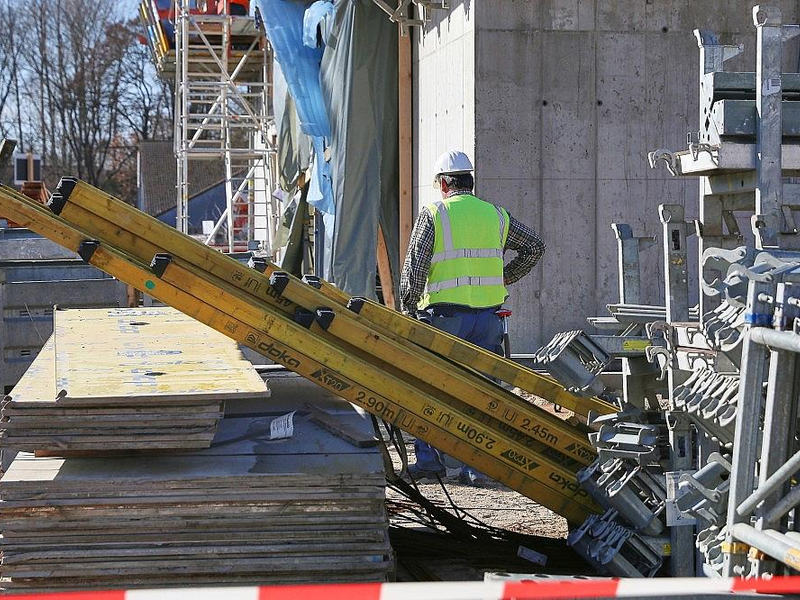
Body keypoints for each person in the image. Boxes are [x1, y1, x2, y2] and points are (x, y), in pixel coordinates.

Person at [399, 150, 546, 485]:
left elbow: (415, 269)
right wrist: (505, 277)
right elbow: (535, 247)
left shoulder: (435, 215)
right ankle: (478, 467)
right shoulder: (495, 215)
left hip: (445, 320)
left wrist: (408, 308)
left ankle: (430, 462)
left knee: (432, 389)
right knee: (484, 394)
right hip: (488, 320)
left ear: (445, 183)